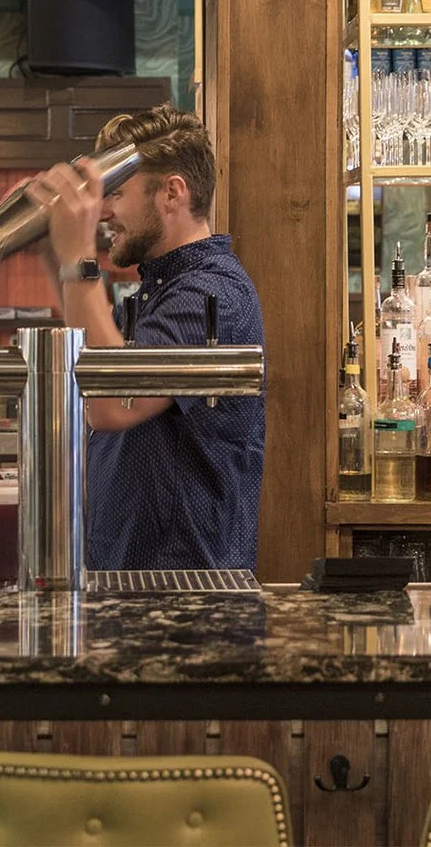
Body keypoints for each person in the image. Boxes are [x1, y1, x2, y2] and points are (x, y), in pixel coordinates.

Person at [31, 106, 265, 571]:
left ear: (172, 192)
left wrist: (78, 252)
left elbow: (114, 402)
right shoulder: (157, 292)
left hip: (184, 596)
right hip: (131, 575)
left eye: (114, 194)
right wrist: (50, 245)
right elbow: (91, 358)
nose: (103, 211)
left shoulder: (211, 293)